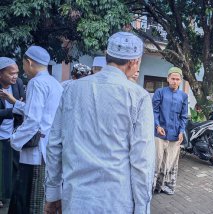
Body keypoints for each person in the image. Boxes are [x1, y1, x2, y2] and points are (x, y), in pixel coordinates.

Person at [44, 32, 155, 213]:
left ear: (107, 56)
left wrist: (53, 193)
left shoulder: (71, 89)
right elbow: (141, 161)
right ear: (134, 62)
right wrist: (142, 208)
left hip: (76, 200)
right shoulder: (139, 97)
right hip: (117, 202)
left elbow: (55, 143)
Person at [7, 46, 63, 213]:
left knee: (26, 199)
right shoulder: (54, 83)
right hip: (49, 146)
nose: (23, 68)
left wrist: (14, 140)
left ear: (29, 62)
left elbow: (33, 120)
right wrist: (16, 103)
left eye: (23, 64)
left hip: (35, 150)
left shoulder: (36, 83)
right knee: (38, 198)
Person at [152, 67, 188, 195]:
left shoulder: (183, 96)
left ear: (181, 80)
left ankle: (167, 187)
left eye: (177, 79)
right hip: (159, 134)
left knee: (171, 162)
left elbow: (183, 116)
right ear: (167, 79)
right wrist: (157, 125)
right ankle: (153, 187)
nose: (175, 81)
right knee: (157, 160)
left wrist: (181, 131)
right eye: (172, 78)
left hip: (175, 135)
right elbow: (154, 111)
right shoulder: (160, 92)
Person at [0, 57, 25, 209]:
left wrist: (17, 105)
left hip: (13, 133)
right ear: (0, 74)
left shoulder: (19, 84)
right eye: (11, 73)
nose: (15, 76)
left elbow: (24, 104)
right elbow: (18, 107)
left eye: (17, 73)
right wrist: (14, 108)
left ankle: (11, 195)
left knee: (14, 167)